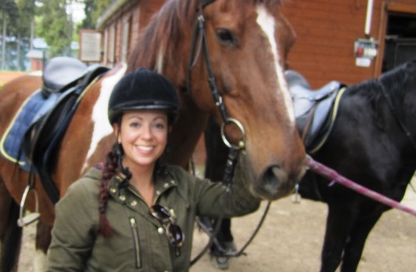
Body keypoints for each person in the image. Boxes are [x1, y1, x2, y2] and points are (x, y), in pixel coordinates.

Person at [46, 68, 260, 271]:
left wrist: (249, 139)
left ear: (168, 131)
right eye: (135, 124)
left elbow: (239, 201)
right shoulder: (84, 196)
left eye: (157, 125)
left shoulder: (185, 185)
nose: (147, 135)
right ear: (118, 131)